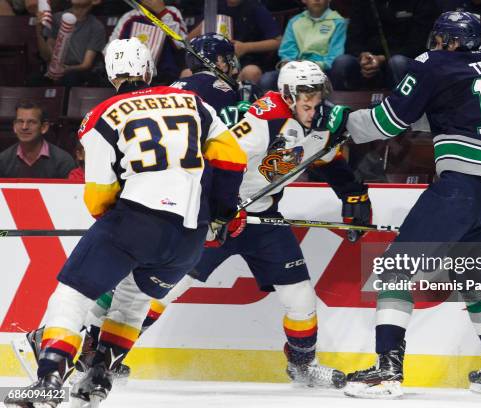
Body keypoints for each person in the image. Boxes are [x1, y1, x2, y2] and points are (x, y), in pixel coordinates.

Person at [3, 37, 247, 408]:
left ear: (109, 73)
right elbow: (232, 158)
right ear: (148, 70)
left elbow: (99, 194)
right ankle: (99, 377)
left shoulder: (101, 115)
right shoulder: (193, 102)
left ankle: (50, 377)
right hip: (190, 238)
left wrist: (117, 233)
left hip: (136, 221)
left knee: (73, 293)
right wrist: (223, 212)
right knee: (133, 301)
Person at [105, 60, 371, 389]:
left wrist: (354, 194)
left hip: (263, 220)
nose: (312, 101)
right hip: (219, 216)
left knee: (300, 296)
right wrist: (220, 209)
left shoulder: (321, 123)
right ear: (287, 94)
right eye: (304, 93)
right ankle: (107, 357)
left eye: (317, 93)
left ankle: (303, 366)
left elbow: (328, 160)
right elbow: (216, 161)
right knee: (166, 289)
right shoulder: (264, 118)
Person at [325, 11, 481, 398]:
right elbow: (446, 113)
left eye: (439, 38)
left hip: (462, 187)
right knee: (472, 278)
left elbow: (388, 121)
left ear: (448, 40)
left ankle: (387, 373)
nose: (434, 44)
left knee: (393, 271)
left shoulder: (432, 64)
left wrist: (341, 125)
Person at [330, 0, 441, 90]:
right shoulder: (363, 3)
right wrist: (363, 56)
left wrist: (382, 59)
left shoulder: (422, 3)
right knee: (342, 63)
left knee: (398, 62)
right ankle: (339, 113)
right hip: (368, 62)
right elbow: (352, 41)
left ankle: (402, 111)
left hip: (404, 60)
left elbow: (419, 45)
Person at [172, 33, 261, 127]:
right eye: (230, 58)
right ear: (220, 61)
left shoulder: (174, 84)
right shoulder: (222, 89)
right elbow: (231, 136)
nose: (234, 70)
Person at [259, 0, 347, 91]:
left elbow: (335, 55)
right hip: (296, 70)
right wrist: (288, 63)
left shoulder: (339, 22)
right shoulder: (295, 21)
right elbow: (287, 51)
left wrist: (312, 67)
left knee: (341, 63)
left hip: (324, 71)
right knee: (267, 79)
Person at [187, 0, 283, 84]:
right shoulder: (213, 5)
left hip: (246, 61)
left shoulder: (255, 8)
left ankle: (246, 103)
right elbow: (187, 42)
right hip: (213, 61)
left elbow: (277, 42)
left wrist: (246, 47)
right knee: (187, 73)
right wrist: (204, 24)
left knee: (252, 72)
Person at [109, 0, 189, 84]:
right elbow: (110, 48)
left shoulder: (172, 12)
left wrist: (162, 12)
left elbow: (181, 44)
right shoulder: (129, 17)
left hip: (167, 77)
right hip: (133, 79)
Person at [34, 0, 106, 86]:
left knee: (70, 78)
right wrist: (39, 31)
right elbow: (48, 56)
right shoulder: (56, 18)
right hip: (54, 70)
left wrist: (66, 69)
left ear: (95, 1)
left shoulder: (96, 26)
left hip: (78, 72)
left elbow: (86, 64)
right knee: (34, 80)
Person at [0, 101, 76, 178]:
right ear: (14, 127)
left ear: (44, 127)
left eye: (31, 122)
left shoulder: (63, 161)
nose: (24, 127)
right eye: (20, 121)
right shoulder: (3, 160)